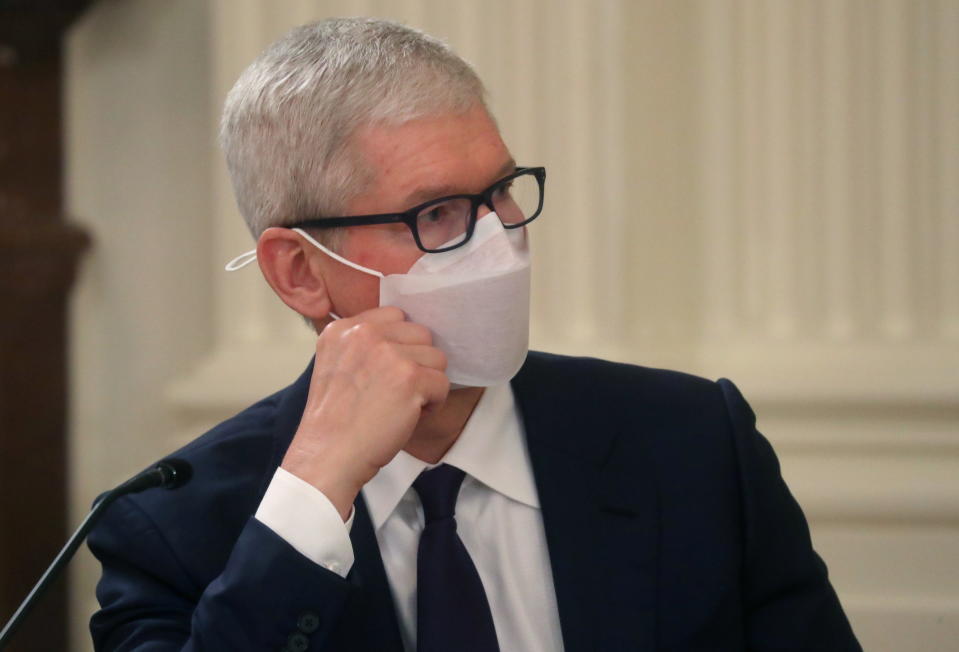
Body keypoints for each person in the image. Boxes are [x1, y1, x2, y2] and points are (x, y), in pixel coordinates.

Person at [88, 17, 862, 652]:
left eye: (500, 191)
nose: (501, 238)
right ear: (299, 271)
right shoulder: (172, 531)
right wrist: (316, 488)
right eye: (437, 214)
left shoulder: (692, 444)